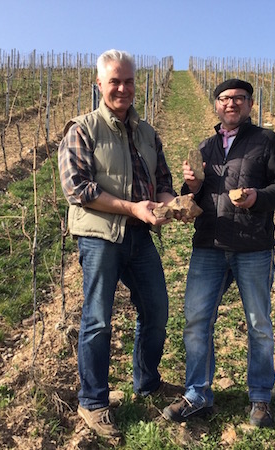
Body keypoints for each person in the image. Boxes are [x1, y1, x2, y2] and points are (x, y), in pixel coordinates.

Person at [162, 78, 275, 428]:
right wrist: (190, 187)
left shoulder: (266, 141)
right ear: (216, 105)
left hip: (253, 246)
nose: (231, 104)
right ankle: (198, 394)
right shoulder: (205, 147)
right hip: (209, 245)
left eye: (238, 98)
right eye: (224, 98)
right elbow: (192, 195)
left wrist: (258, 198)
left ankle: (261, 398)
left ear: (250, 105)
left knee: (259, 325)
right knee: (196, 321)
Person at [58, 49, 178, 439]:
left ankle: (146, 381)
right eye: (115, 81)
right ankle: (93, 401)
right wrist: (131, 207)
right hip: (100, 237)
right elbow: (77, 187)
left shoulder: (147, 133)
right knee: (97, 321)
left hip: (140, 236)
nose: (123, 88)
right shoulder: (83, 129)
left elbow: (162, 178)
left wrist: (169, 203)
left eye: (128, 81)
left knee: (157, 311)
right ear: (100, 86)